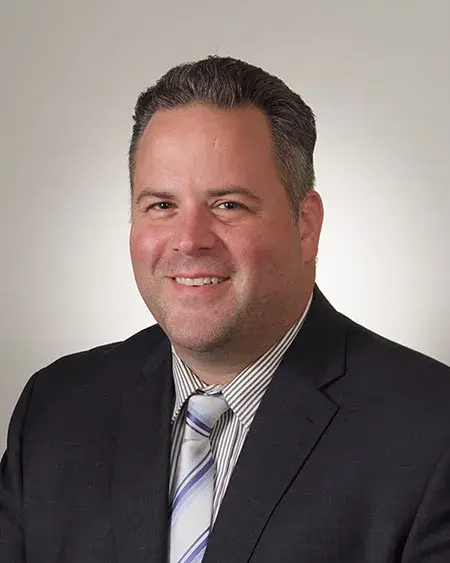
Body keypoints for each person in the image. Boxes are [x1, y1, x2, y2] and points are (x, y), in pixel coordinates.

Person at [1, 56, 449, 563]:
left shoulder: (432, 432)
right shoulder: (55, 410)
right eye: (162, 205)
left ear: (305, 225)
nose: (190, 240)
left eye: (228, 204)